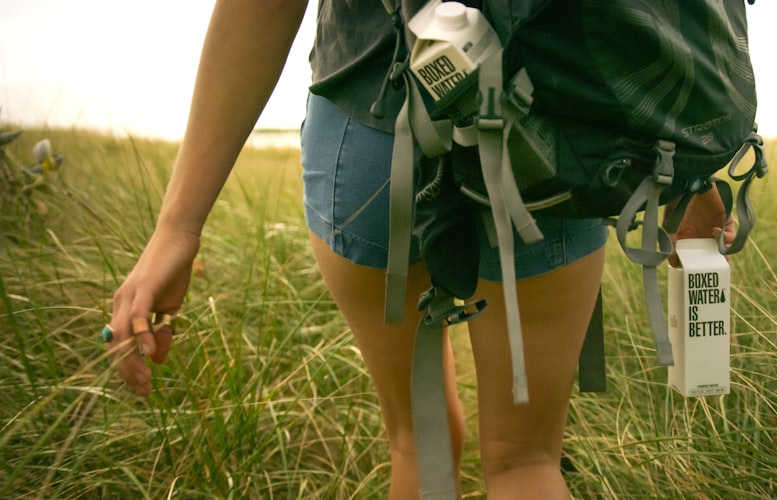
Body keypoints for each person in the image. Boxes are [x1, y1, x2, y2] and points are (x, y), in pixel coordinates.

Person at [103, 1, 734, 498]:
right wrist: (687, 177)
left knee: (418, 445)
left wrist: (177, 228)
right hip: (554, 150)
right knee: (526, 462)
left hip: (371, 130)